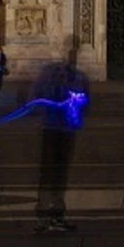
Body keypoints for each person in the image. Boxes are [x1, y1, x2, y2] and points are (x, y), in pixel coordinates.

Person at [34, 40, 88, 233]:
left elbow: (34, 97)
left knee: (49, 172)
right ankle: (53, 215)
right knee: (58, 173)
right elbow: (85, 102)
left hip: (52, 127)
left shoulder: (47, 74)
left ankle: (46, 215)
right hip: (63, 129)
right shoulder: (78, 76)